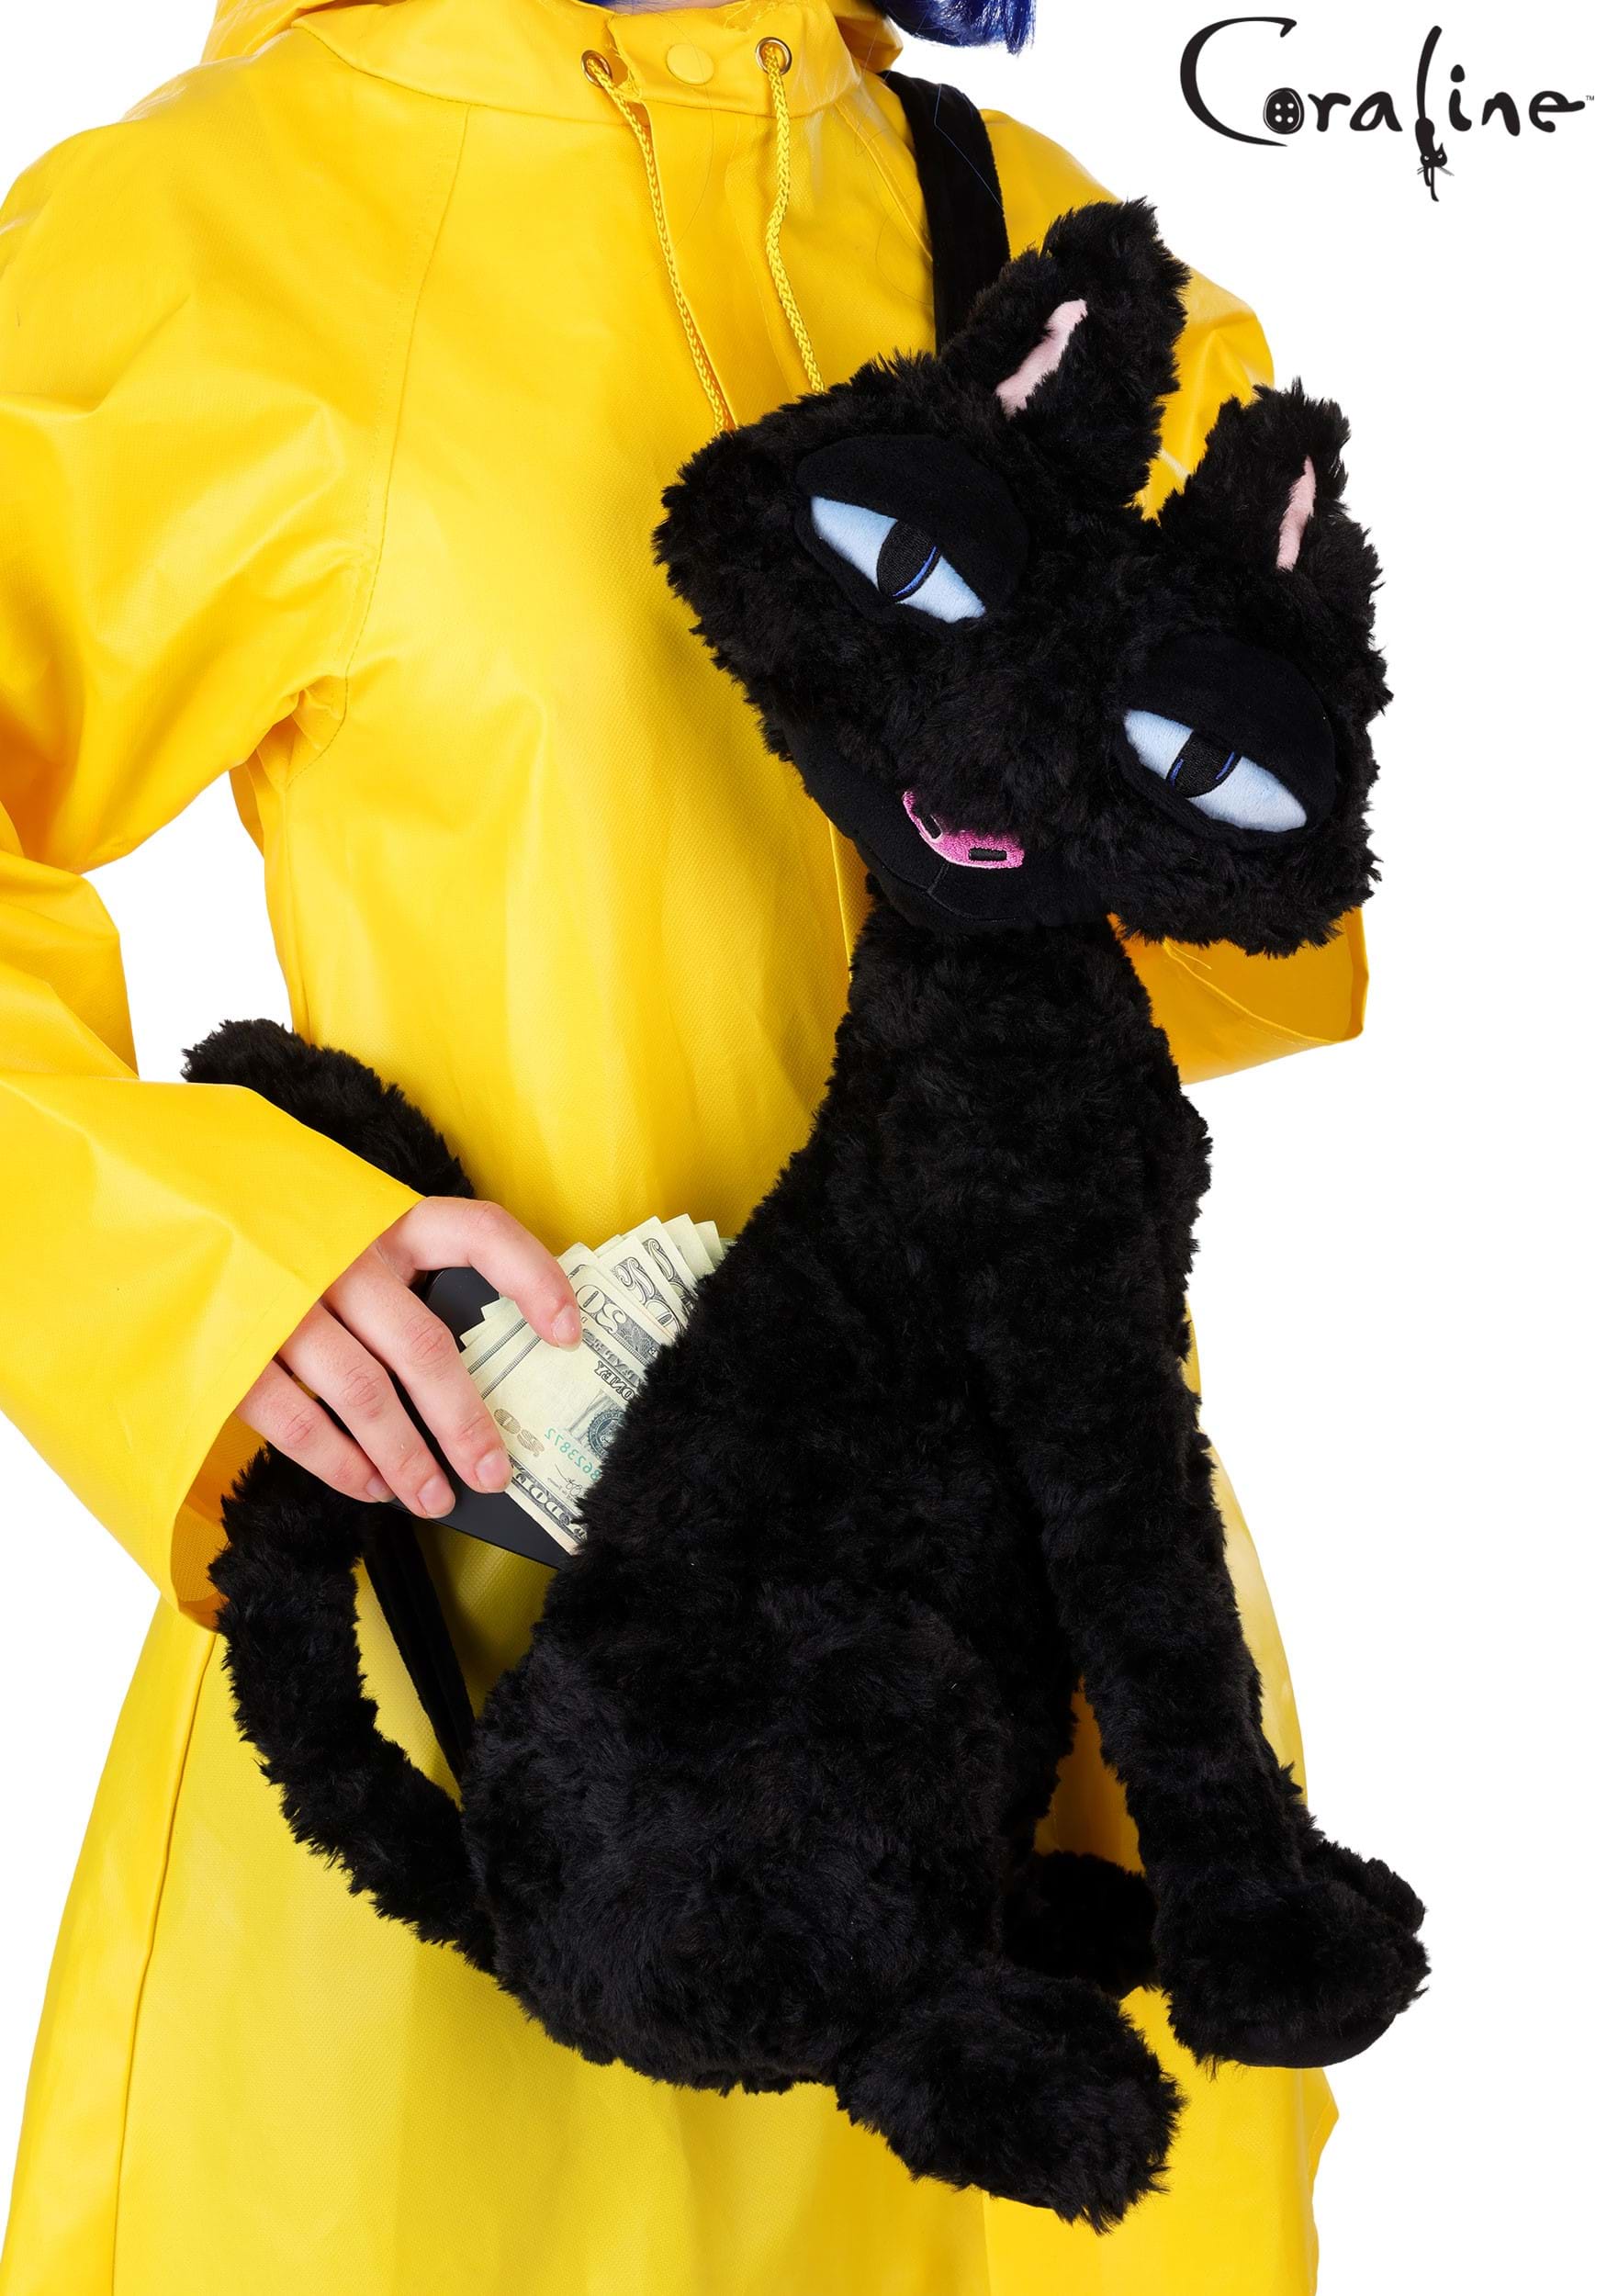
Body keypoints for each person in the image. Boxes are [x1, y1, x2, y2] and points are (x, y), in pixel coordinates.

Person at [0, 3, 1365, 2290]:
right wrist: (198, 1256)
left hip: (1049, 1681)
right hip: (495, 1674)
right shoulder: (206, 231)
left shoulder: (1029, 238)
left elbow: (1235, 937)